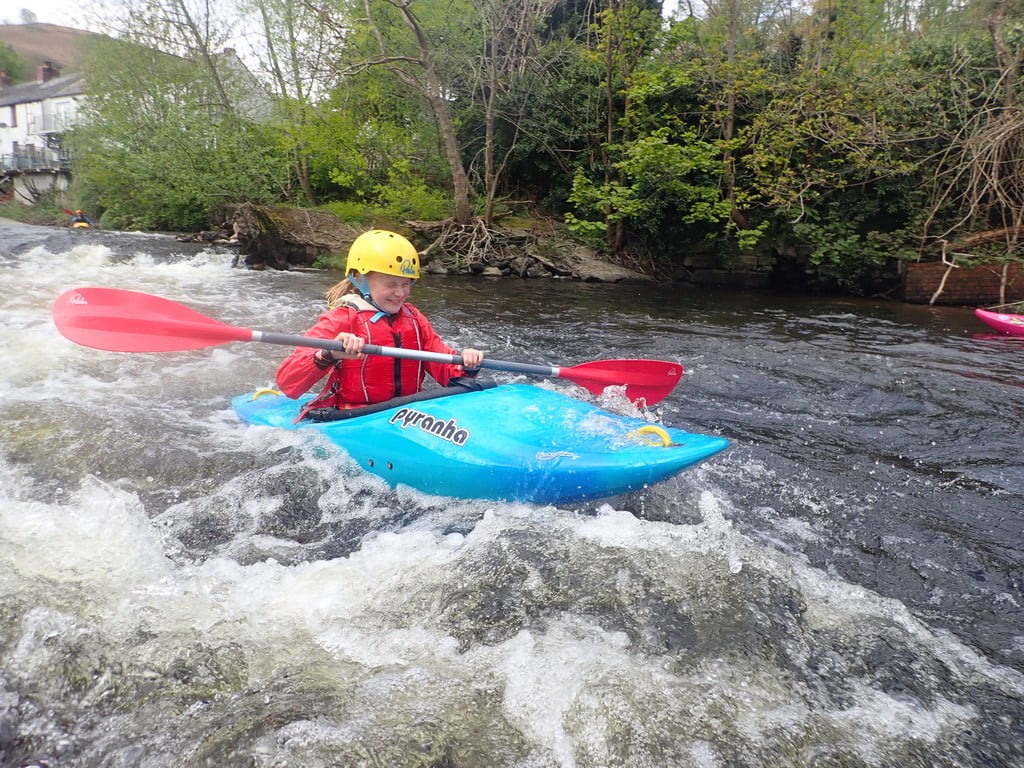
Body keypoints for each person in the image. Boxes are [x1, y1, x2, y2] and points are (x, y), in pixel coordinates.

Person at [276, 229, 485, 416]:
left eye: (406, 284)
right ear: (360, 278)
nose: (400, 293)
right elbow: (287, 383)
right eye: (391, 284)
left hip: (408, 411)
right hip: (358, 415)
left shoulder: (414, 318)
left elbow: (447, 372)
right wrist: (328, 354)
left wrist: (466, 364)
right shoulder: (340, 319)